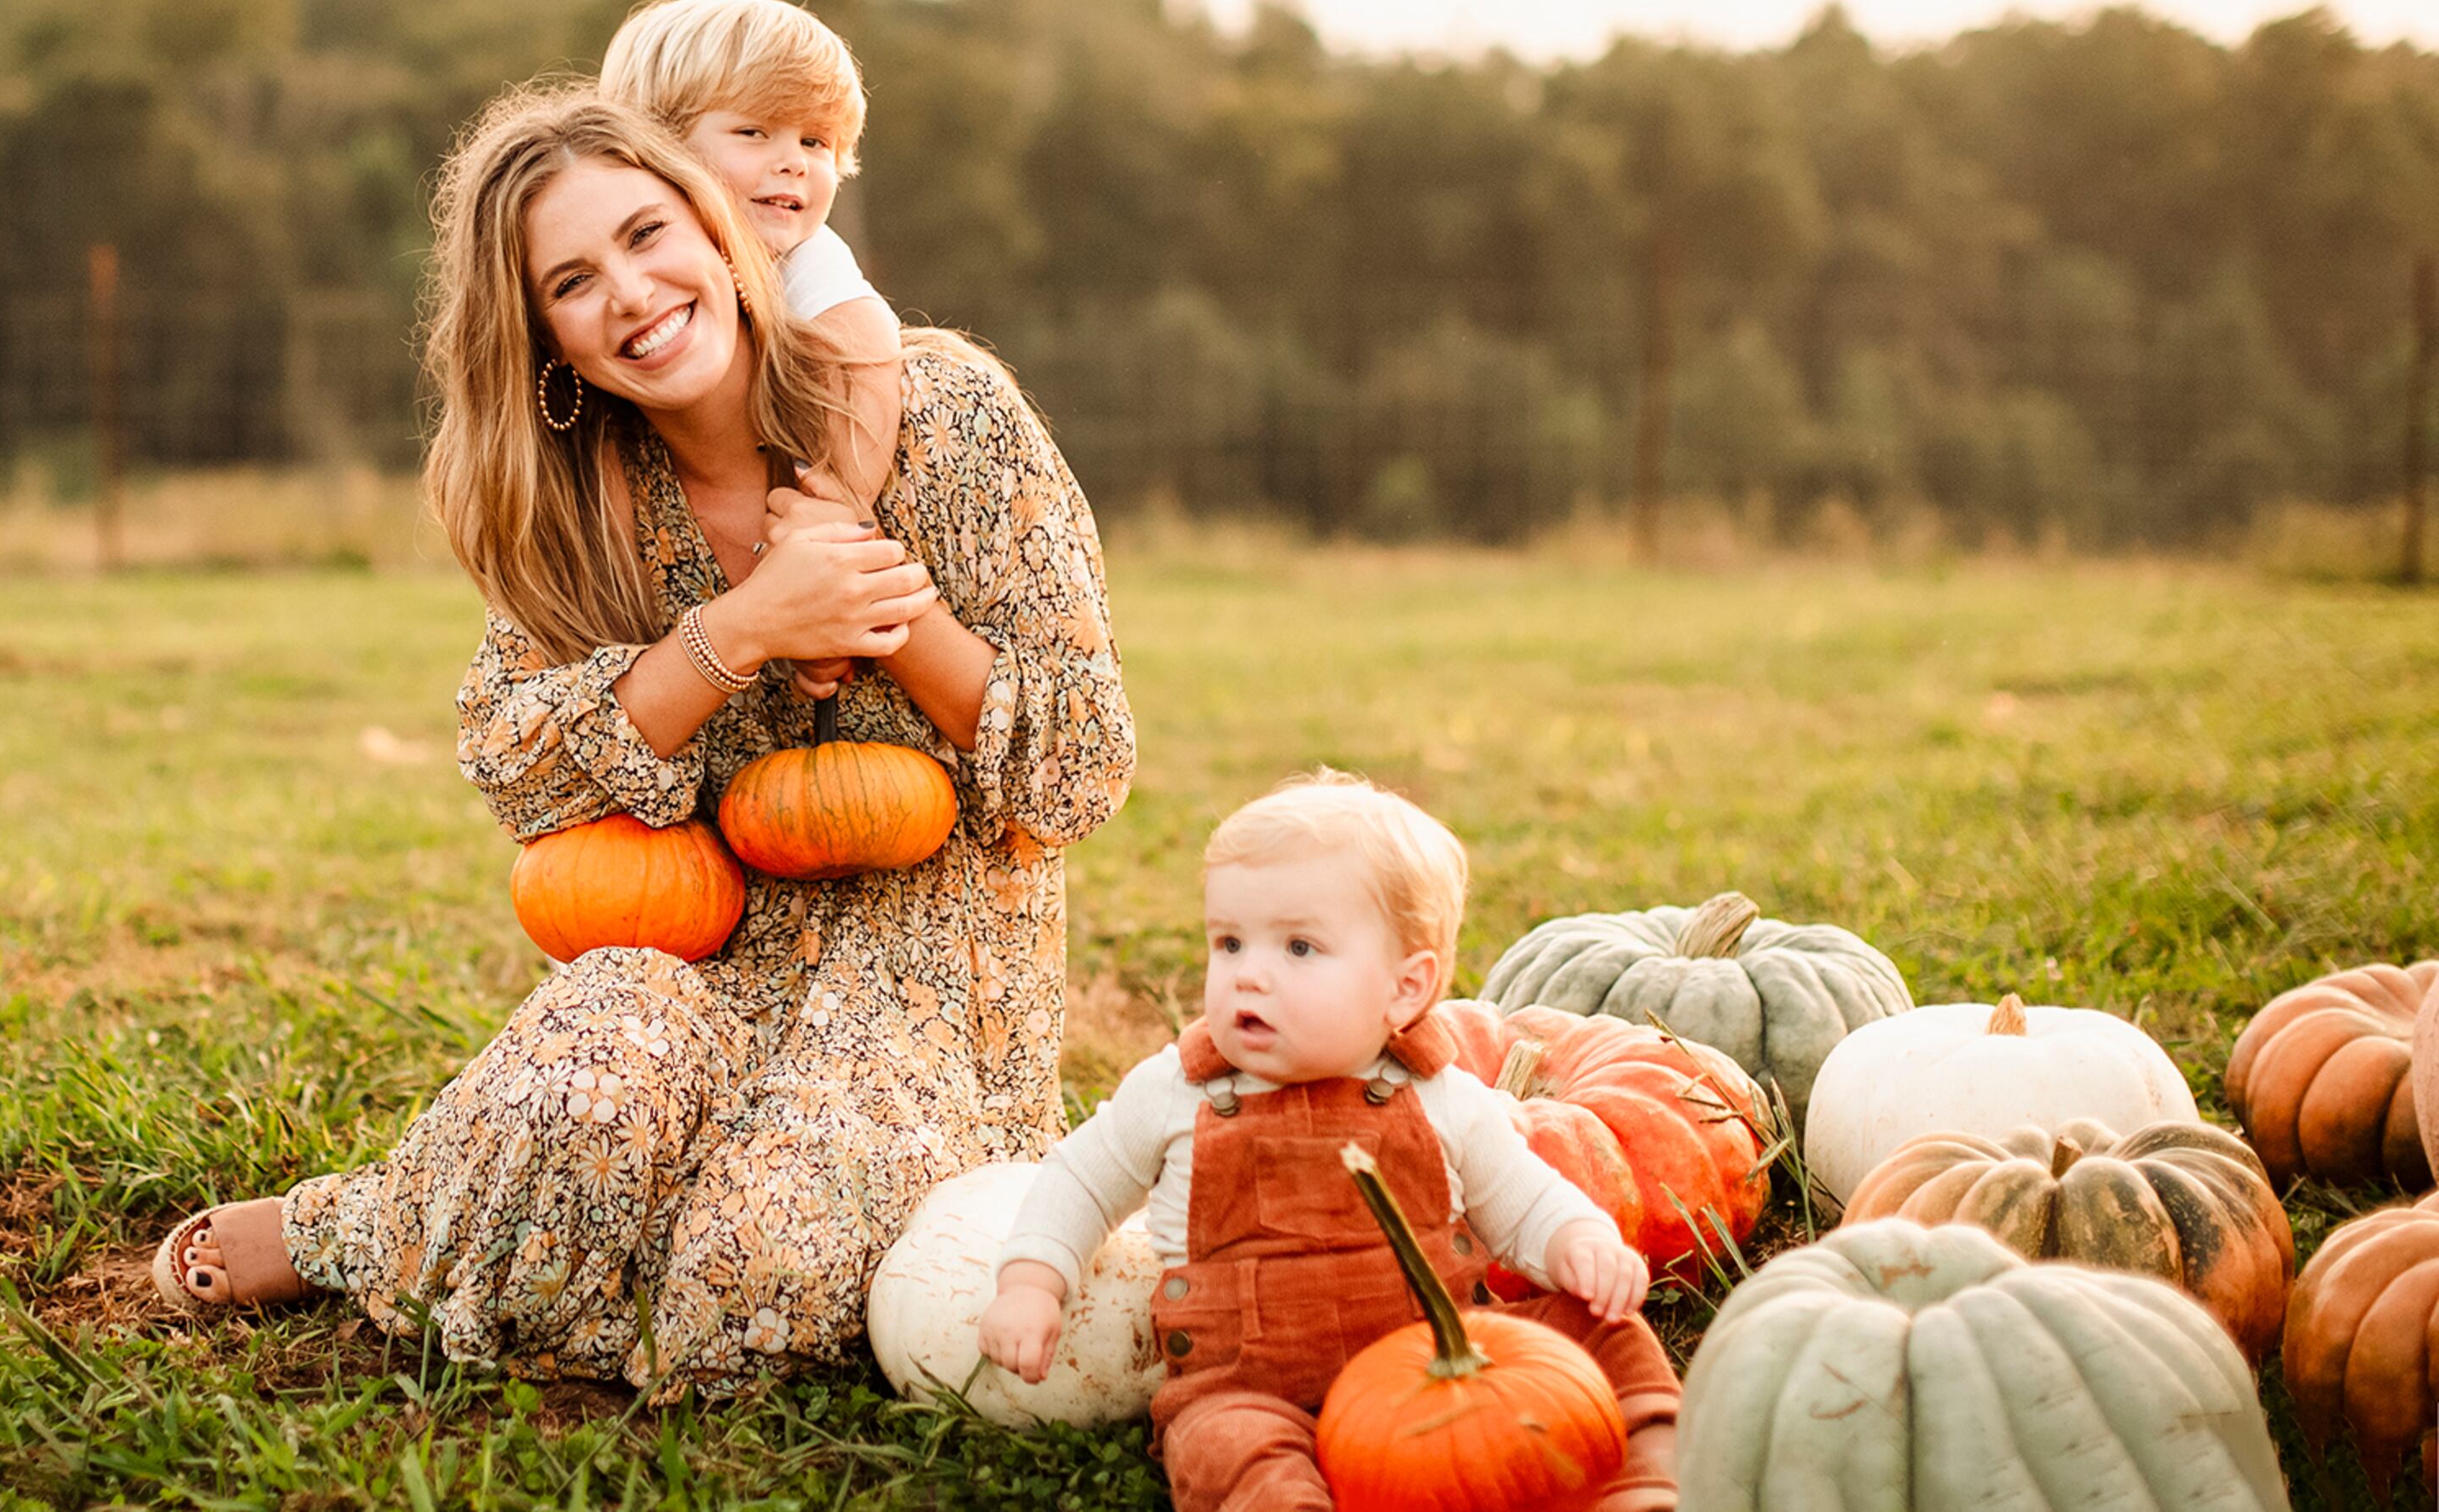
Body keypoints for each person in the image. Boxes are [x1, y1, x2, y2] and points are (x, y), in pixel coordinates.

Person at [148, 87, 1135, 1397]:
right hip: (692, 964)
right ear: (546, 336)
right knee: (580, 1083)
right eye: (573, 280)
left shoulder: (949, 415)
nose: (630, 292)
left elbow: (1083, 764)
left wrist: (879, 607)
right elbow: (516, 764)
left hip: (933, 993)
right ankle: (412, 1227)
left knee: (754, 1271)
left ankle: (424, 1235)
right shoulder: (579, 508)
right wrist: (740, 628)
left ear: (719, 229)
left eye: (646, 233)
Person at [975, 775, 1677, 1512]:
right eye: (1230, 942)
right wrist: (1032, 1282)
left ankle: (1651, 1474)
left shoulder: (1439, 1094)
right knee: (1223, 1440)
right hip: (1251, 1385)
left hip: (1441, 1354)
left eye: (1299, 946)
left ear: (1405, 989)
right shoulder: (1177, 1090)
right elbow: (1082, 1180)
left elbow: (1524, 1200)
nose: (1249, 973)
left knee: (1607, 1331)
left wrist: (1578, 1240)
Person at [597, 0, 904, 509]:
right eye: (754, 132)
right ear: (659, 145)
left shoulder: (806, 258)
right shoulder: (623, 252)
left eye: (815, 141)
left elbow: (868, 352)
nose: (794, 162)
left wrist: (838, 504)